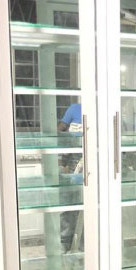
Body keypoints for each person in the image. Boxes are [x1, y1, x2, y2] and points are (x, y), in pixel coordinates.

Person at [58, 102, 84, 252]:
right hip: (71, 161)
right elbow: (61, 132)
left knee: (87, 207)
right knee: (68, 205)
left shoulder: (103, 109)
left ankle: (84, 246)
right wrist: (63, 162)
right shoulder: (74, 109)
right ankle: (65, 243)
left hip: (90, 163)